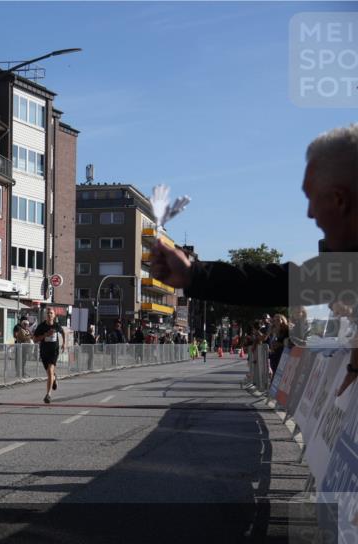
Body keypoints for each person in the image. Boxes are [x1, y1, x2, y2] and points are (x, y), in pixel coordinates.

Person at [151, 123, 358, 396]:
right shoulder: (346, 266)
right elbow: (273, 282)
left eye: (312, 198)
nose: (309, 213)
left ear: (339, 199)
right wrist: (192, 275)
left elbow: (276, 283)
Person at [33, 308, 64, 403]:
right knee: (50, 373)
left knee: (50, 371)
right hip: (44, 352)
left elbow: (62, 332)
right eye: (48, 313)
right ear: (45, 315)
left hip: (54, 352)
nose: (49, 315)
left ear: (54, 315)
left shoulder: (56, 325)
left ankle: (48, 395)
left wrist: (64, 344)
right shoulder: (41, 326)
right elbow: (35, 339)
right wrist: (45, 335)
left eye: (51, 313)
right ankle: (54, 378)